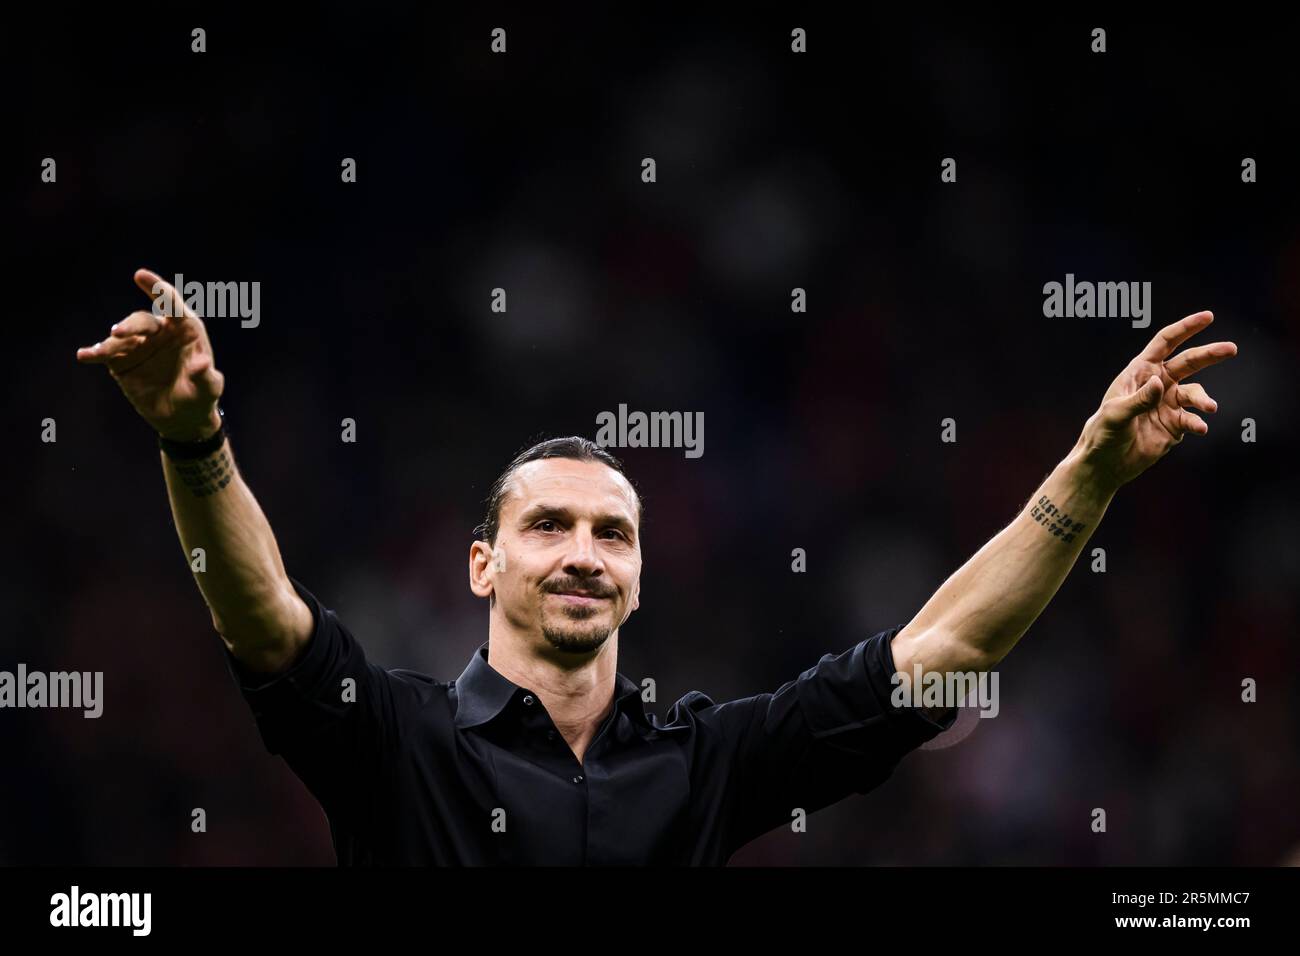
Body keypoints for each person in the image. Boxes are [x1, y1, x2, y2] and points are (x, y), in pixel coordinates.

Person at [76, 268, 1239, 865]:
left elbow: (946, 653)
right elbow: (260, 614)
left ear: (639, 578)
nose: (583, 553)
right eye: (548, 526)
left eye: (613, 533)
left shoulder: (706, 762)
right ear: (479, 566)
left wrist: (1087, 474)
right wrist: (192, 437)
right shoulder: (395, 740)